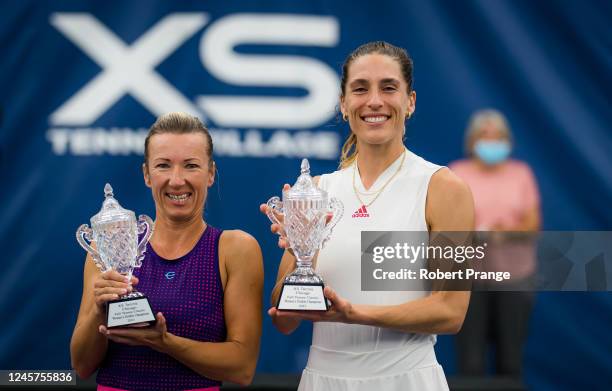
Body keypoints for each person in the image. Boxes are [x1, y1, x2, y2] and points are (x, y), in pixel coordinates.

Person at [261, 41, 474, 390]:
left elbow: (451, 311)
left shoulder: (445, 188)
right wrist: (304, 253)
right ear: (344, 105)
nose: (374, 101)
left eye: (389, 87)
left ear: (411, 102)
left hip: (408, 380)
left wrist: (354, 314)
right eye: (360, 89)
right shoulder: (314, 192)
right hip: (322, 381)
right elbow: (284, 321)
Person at [71, 112, 264, 391]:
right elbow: (82, 365)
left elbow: (242, 367)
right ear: (147, 175)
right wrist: (98, 313)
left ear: (210, 174)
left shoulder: (234, 249)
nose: (176, 180)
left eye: (190, 166)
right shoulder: (108, 249)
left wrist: (164, 342)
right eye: (163, 165)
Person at [450, 109, 540, 377]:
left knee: (510, 361)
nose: (491, 141)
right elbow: (444, 222)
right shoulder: (456, 172)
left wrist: (506, 231)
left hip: (515, 276)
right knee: (470, 362)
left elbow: (532, 224)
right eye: (484, 135)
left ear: (508, 141)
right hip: (468, 277)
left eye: (497, 136)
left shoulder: (521, 174)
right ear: (472, 141)